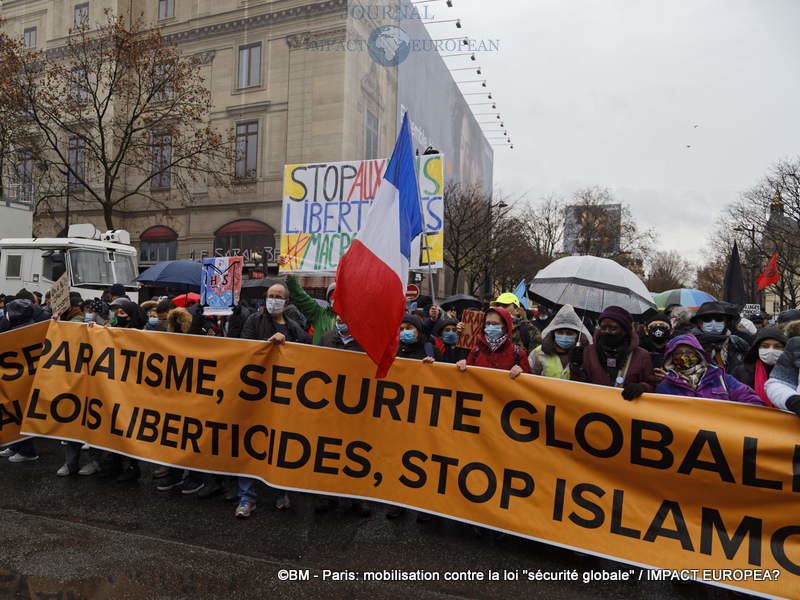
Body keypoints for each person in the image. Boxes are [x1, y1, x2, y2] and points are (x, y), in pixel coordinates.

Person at [237, 283, 311, 518]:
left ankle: (280, 492)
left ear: (286, 302)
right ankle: (246, 498)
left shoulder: (294, 328)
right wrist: (269, 344)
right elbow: (245, 349)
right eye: (270, 296)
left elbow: (308, 354)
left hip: (282, 398)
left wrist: (288, 344)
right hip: (256, 394)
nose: (273, 300)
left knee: (278, 445)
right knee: (249, 443)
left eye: (278, 297)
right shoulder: (254, 322)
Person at [0, 291, 51, 463]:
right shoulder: (11, 320)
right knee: (14, 408)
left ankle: (28, 451)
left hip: (29, 376)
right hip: (19, 375)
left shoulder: (43, 325)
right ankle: (16, 445)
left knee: (22, 410)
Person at [570, 306, 654, 400]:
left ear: (625, 330)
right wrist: (575, 366)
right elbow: (578, 386)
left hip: (626, 409)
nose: (607, 331)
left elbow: (652, 385)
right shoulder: (588, 352)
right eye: (603, 327)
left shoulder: (641, 355)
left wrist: (642, 387)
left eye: (613, 328)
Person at [656, 335, 765, 405]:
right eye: (679, 353)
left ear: (698, 354)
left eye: (689, 352)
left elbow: (750, 399)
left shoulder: (722, 379)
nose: (684, 356)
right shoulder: (666, 386)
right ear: (671, 358)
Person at [456, 307, 531, 378]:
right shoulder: (476, 351)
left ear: (505, 327)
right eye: (488, 323)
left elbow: (529, 383)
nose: (490, 327)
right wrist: (463, 365)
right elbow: (466, 379)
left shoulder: (518, 354)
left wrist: (522, 372)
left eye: (495, 324)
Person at [278, 254, 336, 345]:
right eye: (332, 295)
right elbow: (300, 296)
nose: (334, 298)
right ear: (328, 299)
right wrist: (289, 273)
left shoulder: (351, 318)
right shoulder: (318, 314)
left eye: (338, 295)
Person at [528, 304, 591, 380]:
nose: (564, 336)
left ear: (577, 335)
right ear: (554, 333)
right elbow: (528, 375)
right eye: (560, 332)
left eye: (569, 333)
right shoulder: (539, 352)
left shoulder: (587, 355)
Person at [730, 327, 786, 406]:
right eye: (765, 346)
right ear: (757, 348)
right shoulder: (741, 372)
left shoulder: (792, 373)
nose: (771, 350)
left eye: (777, 346)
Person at [690, 302, 748, 373]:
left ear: (725, 322)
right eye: (707, 319)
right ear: (699, 322)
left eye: (719, 319)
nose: (713, 323)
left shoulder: (736, 343)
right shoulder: (689, 344)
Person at [639, 311, 673, 380]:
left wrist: (668, 377)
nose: (658, 329)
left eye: (663, 326)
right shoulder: (638, 351)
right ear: (646, 330)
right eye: (653, 326)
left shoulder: (676, 350)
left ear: (671, 330)